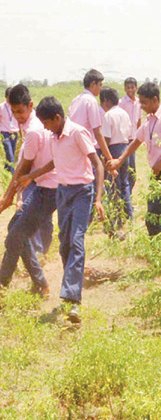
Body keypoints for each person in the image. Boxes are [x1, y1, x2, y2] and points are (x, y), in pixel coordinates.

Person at [36, 96, 106, 324]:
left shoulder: (77, 132)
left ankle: (73, 299)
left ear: (57, 118)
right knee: (64, 243)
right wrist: (31, 175)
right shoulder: (54, 136)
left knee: (76, 240)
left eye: (46, 123)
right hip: (63, 192)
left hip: (82, 193)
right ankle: (71, 290)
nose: (45, 128)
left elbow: (98, 164)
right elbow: (55, 162)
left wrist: (98, 199)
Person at [108, 81, 161, 236]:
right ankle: (158, 254)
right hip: (157, 174)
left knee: (153, 219)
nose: (141, 106)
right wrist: (120, 160)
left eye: (144, 103)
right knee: (152, 218)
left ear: (155, 100)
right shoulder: (149, 120)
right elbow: (136, 141)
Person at [0, 84, 58, 296]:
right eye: (13, 112)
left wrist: (7, 198)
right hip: (42, 188)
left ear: (30, 106)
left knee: (15, 236)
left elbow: (23, 168)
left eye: (20, 111)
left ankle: (3, 283)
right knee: (16, 233)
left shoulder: (34, 130)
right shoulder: (32, 125)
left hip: (48, 191)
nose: (17, 117)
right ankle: (40, 283)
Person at [99, 87, 133, 233]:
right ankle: (129, 217)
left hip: (113, 151)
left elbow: (105, 139)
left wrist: (104, 158)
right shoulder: (124, 113)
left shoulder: (108, 116)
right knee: (125, 185)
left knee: (113, 188)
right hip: (126, 150)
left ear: (106, 101)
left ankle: (117, 221)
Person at [68, 69, 113, 171]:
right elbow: (97, 132)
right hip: (87, 149)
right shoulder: (91, 100)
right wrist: (109, 158)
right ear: (93, 84)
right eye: (100, 85)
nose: (100, 89)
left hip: (74, 147)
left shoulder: (75, 100)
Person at [118, 77, 142, 199]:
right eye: (128, 87)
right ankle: (124, 198)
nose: (130, 90)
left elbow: (139, 120)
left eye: (132, 87)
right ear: (124, 89)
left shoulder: (138, 103)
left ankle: (128, 197)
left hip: (133, 139)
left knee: (132, 171)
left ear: (136, 88)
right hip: (124, 140)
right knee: (126, 170)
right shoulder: (121, 103)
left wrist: (139, 135)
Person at [1, 87, 20, 173]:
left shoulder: (16, 106)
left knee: (11, 154)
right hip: (5, 134)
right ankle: (12, 175)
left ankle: (6, 171)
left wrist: (21, 134)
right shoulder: (1, 107)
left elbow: (20, 120)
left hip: (14, 134)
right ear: (6, 96)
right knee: (10, 156)